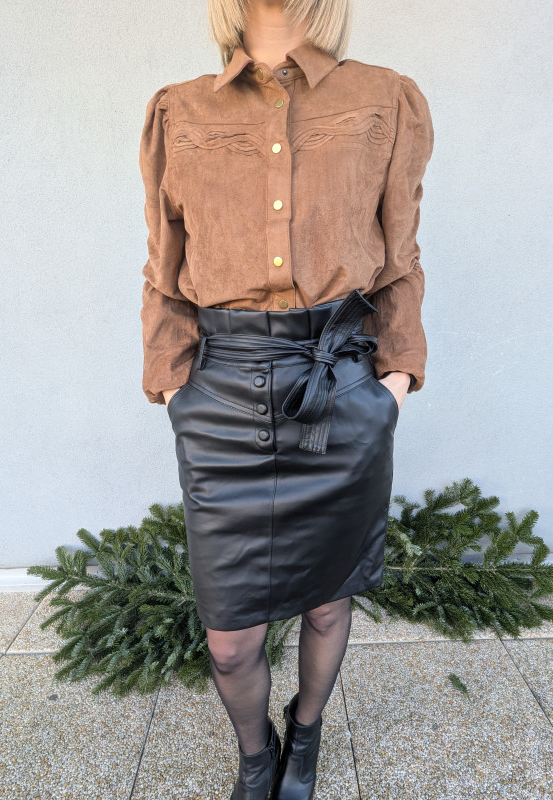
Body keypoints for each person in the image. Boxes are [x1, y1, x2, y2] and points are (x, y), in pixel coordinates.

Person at [138, 1, 433, 797]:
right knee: (231, 640)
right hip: (222, 396)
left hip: (339, 384)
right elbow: (164, 266)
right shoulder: (178, 110)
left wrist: (395, 384)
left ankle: (305, 735)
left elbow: (400, 258)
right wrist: (175, 385)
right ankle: (255, 754)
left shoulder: (386, 98)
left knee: (328, 607)